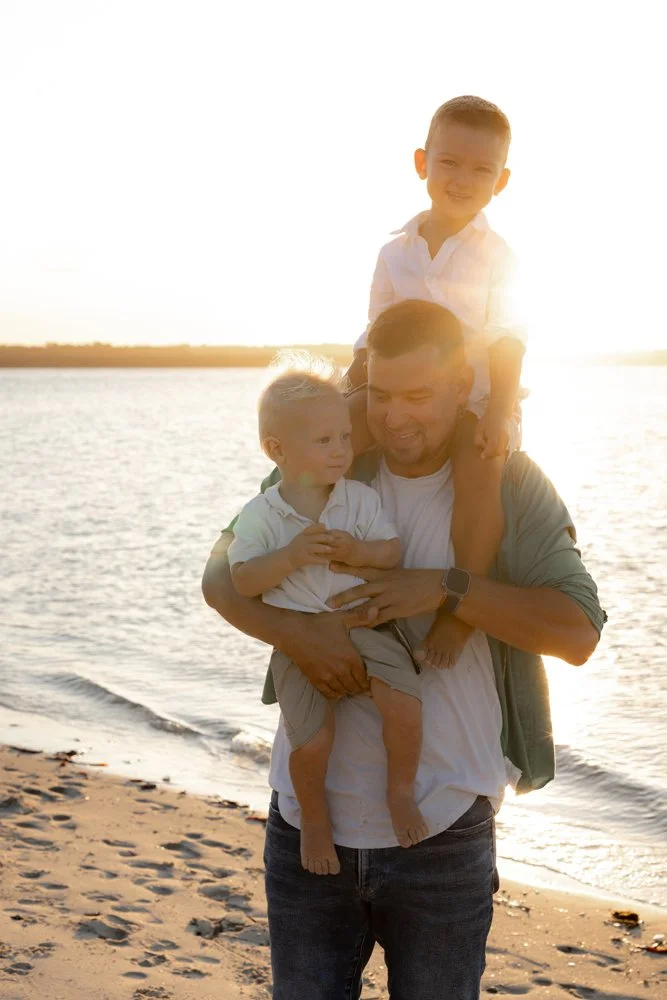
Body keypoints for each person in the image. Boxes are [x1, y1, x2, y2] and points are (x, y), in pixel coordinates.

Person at [202, 300, 605, 1000]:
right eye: (380, 396)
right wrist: (298, 634)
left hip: (441, 832)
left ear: (461, 389)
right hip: (306, 830)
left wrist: (444, 588)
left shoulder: (507, 482)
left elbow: (576, 631)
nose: (394, 418)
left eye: (418, 396)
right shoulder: (326, 457)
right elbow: (219, 576)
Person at [226, 357, 427, 876]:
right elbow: (243, 581)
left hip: (365, 622)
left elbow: (391, 552)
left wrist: (358, 552)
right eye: (324, 441)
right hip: (299, 641)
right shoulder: (263, 514)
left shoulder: (357, 499)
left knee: (404, 705)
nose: (341, 449)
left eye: (344, 436)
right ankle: (314, 818)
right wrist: (290, 557)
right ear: (277, 451)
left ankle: (400, 791)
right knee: (312, 741)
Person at [348, 95, 527, 673]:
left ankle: (459, 606)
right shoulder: (393, 252)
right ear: (423, 163)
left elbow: (507, 336)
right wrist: (347, 399)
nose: (462, 179)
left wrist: (499, 409)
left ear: (500, 181)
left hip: (475, 394)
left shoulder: (497, 256)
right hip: (400, 391)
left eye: (481, 170)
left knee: (479, 473)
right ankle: (318, 557)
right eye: (450, 163)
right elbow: (372, 335)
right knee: (335, 432)